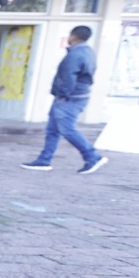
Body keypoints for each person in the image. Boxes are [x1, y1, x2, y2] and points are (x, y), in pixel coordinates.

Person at [23, 25, 106, 174]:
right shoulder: (88, 52)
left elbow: (68, 77)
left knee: (67, 129)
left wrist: (63, 95)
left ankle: (92, 156)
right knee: (53, 130)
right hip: (75, 96)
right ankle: (44, 160)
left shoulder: (75, 55)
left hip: (69, 98)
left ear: (73, 36)